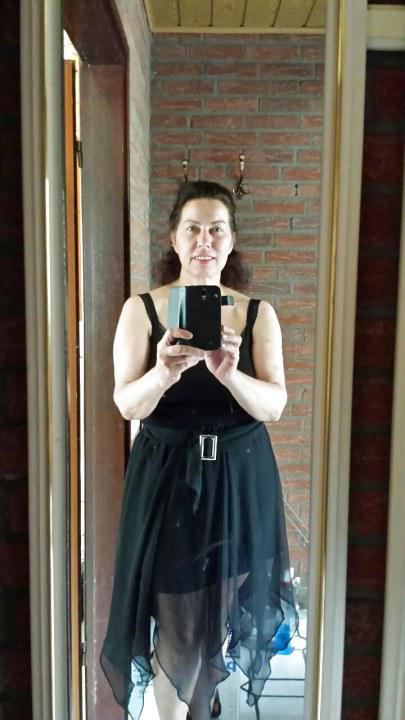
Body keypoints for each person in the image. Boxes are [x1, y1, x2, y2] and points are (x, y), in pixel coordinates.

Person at [100, 180, 298, 720]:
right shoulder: (142, 310)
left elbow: (274, 405)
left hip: (240, 483)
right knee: (178, 625)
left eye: (216, 229)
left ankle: (201, 706)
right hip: (168, 484)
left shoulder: (257, 314)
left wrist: (230, 375)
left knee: (215, 622)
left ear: (231, 241)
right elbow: (127, 404)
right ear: (174, 238)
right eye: (193, 229)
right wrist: (164, 372)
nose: (204, 241)